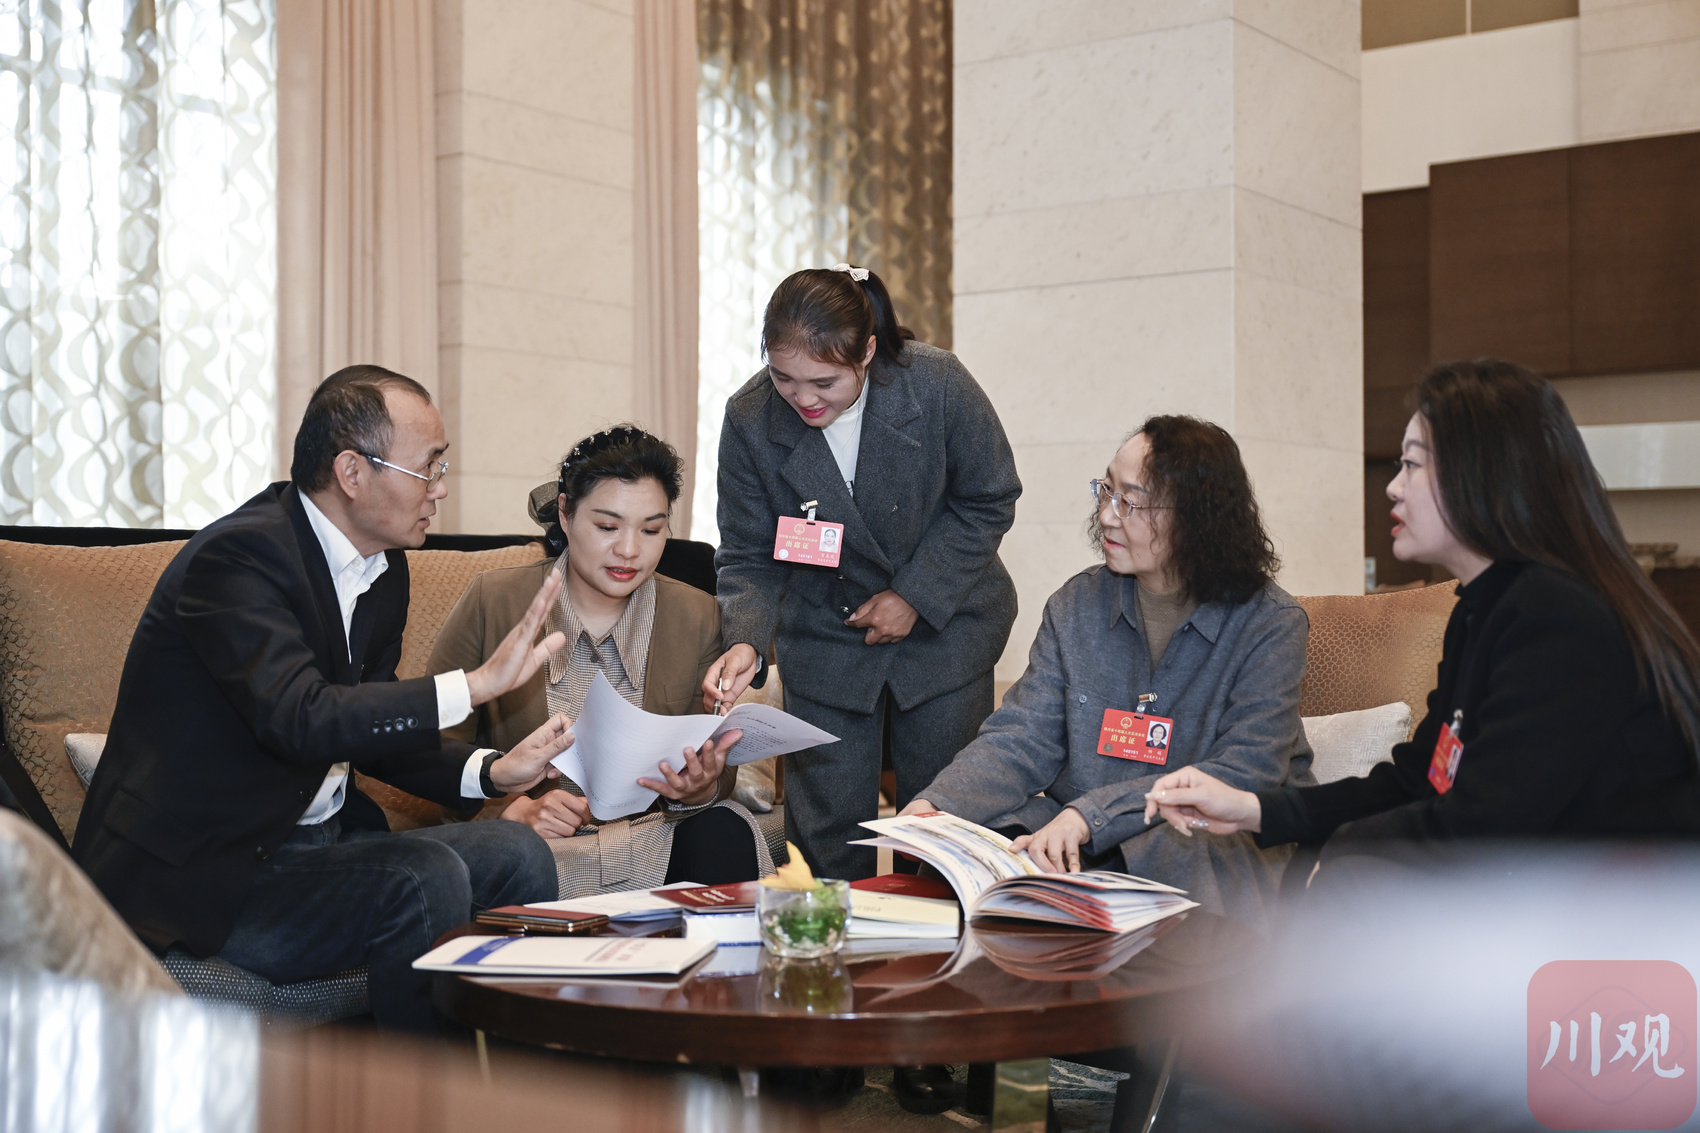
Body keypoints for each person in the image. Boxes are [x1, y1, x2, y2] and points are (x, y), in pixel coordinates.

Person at [73, 366, 572, 1033]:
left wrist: (491, 771)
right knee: (421, 876)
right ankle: (421, 1091)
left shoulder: (383, 568)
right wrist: (475, 685)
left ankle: (526, 1078)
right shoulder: (238, 559)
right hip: (212, 874)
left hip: (317, 850)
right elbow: (303, 718)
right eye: (428, 467)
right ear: (352, 471)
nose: (441, 488)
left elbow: (368, 724)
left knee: (520, 852)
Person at [1145, 360, 1700, 856]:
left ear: (1481, 474)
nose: (1393, 488)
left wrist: (1342, 853)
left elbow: (1487, 822)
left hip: (1626, 918)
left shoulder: (1559, 621)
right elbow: (1421, 782)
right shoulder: (1484, 610)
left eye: (1411, 464)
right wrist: (1255, 810)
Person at [904, 416, 1314, 931]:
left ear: (1197, 520)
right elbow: (1022, 738)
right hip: (1083, 834)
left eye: (1129, 502)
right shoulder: (1076, 605)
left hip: (1204, 839)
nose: (1106, 515)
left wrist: (1090, 816)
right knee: (983, 843)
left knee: (1177, 846)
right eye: (1105, 491)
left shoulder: (1270, 623)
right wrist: (937, 806)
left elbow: (1246, 770)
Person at [704, 264, 1022, 884]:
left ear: (868, 352)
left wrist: (914, 594)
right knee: (825, 841)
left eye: (824, 381)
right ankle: (830, 943)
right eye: (783, 377)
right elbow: (748, 551)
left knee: (940, 828)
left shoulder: (936, 385)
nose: (803, 399)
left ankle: (938, 943)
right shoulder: (750, 418)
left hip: (944, 631)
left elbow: (990, 496)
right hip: (827, 637)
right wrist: (746, 639)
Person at [428, 426, 765, 896]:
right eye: (607, 527)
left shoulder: (697, 614)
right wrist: (507, 812)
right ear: (565, 514)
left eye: (651, 530)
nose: (629, 550)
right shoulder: (494, 600)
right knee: (506, 856)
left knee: (723, 828)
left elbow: (715, 765)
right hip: (533, 851)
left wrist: (700, 787)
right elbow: (432, 748)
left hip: (651, 841)